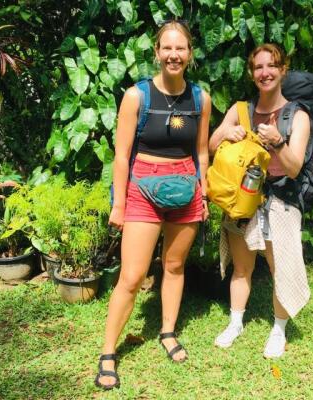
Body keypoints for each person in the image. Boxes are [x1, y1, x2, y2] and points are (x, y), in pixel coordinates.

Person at [95, 21, 211, 390]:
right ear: (157, 52)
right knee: (131, 277)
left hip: (186, 189)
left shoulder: (200, 99)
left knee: (174, 266)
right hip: (143, 189)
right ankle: (108, 352)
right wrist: (118, 205)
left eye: (181, 48)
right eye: (167, 48)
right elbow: (121, 156)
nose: (174, 55)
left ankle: (167, 332)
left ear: (190, 53)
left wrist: (203, 193)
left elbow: (203, 151)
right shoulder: (137, 97)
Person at [208, 44, 311, 359]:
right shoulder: (241, 110)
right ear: (252, 73)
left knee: (280, 268)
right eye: (258, 68)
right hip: (242, 200)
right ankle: (236, 322)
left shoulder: (297, 115)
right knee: (242, 267)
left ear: (282, 70)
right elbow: (211, 146)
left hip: (280, 201)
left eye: (271, 66)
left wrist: (278, 142)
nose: (265, 73)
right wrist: (228, 132)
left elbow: (294, 169)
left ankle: (279, 329)